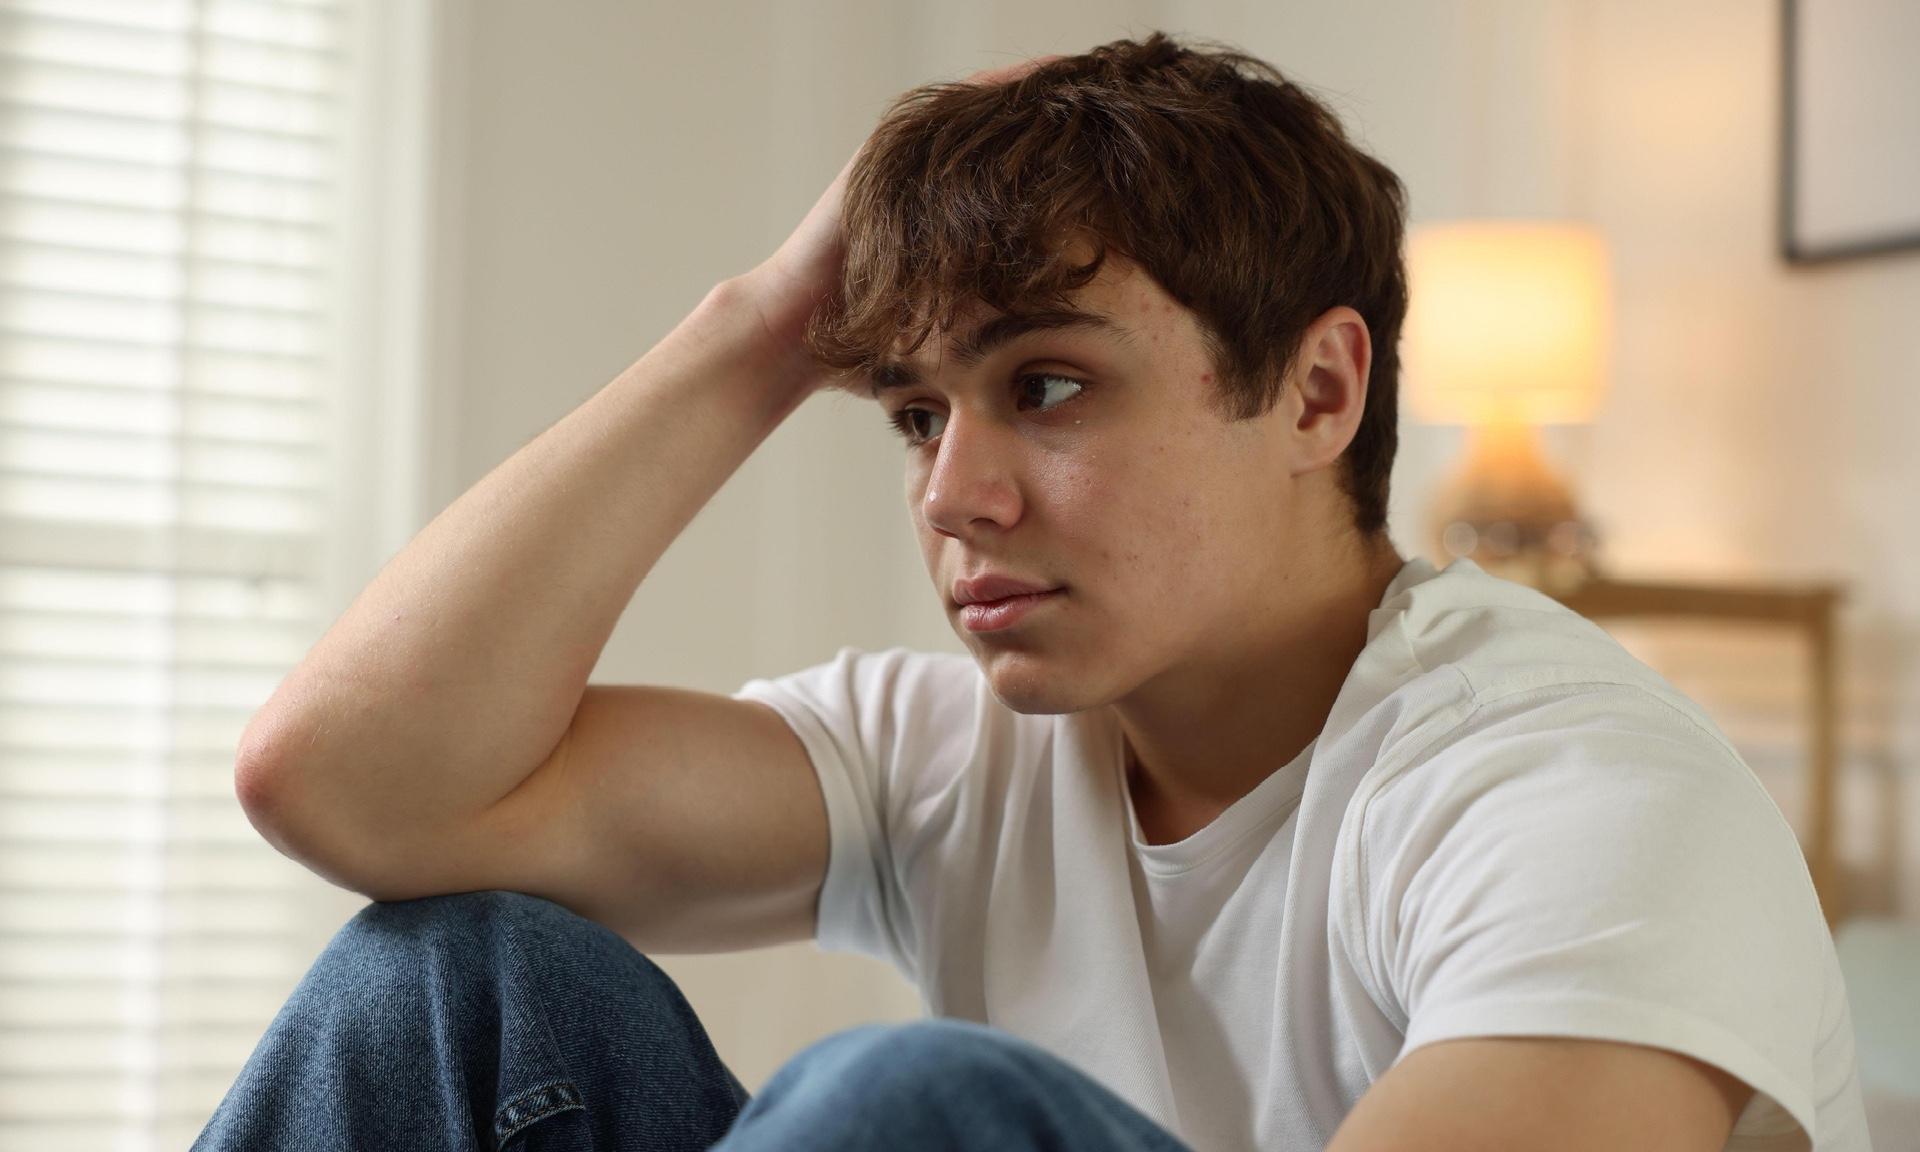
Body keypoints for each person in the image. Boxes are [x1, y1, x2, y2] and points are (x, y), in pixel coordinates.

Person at [201, 31, 1870, 1152]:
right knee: (443, 984)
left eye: (1048, 386)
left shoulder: (1573, 788)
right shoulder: (958, 755)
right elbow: (350, 785)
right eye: (916, 413)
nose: (953, 492)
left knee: (910, 1110)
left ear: (1316, 394)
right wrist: (763, 326)